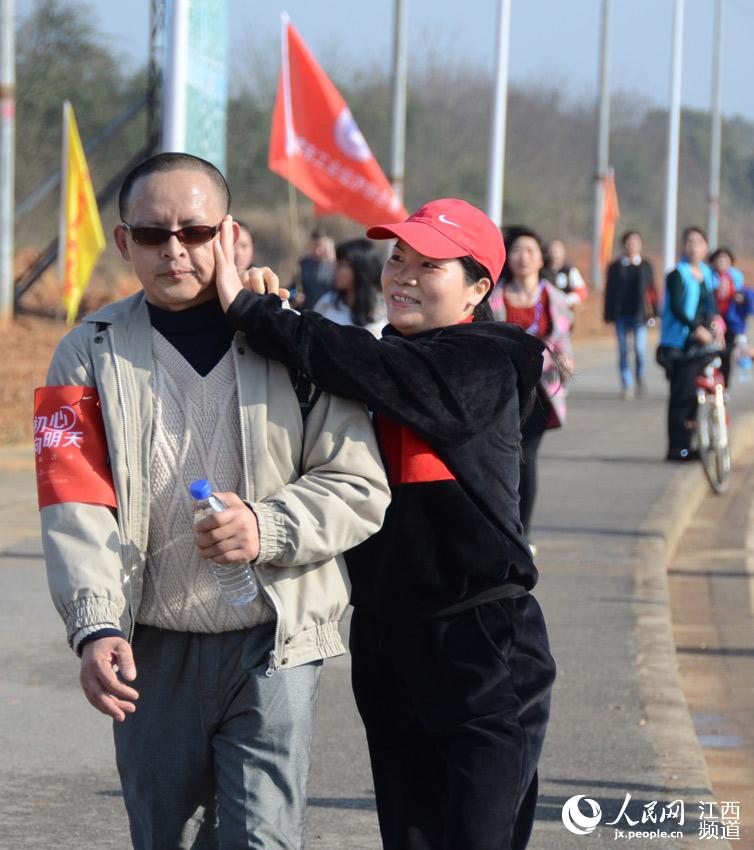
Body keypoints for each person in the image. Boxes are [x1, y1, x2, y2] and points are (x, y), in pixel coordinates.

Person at [37, 152, 390, 849]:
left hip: (273, 644)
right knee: (162, 836)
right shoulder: (85, 354)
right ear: (123, 242)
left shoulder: (296, 343)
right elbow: (72, 500)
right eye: (152, 234)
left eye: (195, 232)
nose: (174, 250)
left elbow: (358, 485)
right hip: (150, 651)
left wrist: (267, 525)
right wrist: (95, 625)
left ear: (228, 236)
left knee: (264, 838)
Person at [213, 198, 557, 850]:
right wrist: (260, 312)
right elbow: (326, 383)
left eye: (430, 264)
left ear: (478, 287)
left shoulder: (488, 360)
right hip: (385, 638)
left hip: (479, 637)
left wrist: (266, 316)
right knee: (410, 834)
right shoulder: (374, 361)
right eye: (398, 256)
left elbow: (386, 371)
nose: (402, 273)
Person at [489, 227, 573, 555]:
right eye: (517, 250)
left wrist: (565, 359)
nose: (523, 257)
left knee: (527, 458)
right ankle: (503, 525)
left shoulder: (555, 298)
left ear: (541, 257)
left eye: (530, 250)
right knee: (502, 457)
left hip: (541, 388)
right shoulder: (494, 297)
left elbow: (564, 340)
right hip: (503, 388)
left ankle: (522, 532)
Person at [658, 226, 723, 461]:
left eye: (699, 242)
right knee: (680, 396)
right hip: (678, 344)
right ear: (683, 246)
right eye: (690, 241)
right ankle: (676, 448)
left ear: (706, 247)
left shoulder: (706, 273)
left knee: (695, 396)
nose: (694, 246)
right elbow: (676, 307)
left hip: (700, 344)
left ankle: (689, 444)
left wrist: (715, 324)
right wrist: (697, 328)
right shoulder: (677, 273)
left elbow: (711, 306)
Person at [604, 230, 658, 399]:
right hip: (621, 314)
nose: (632, 245)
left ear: (640, 245)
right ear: (623, 245)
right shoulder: (615, 266)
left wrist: (655, 312)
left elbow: (652, 290)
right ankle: (627, 383)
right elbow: (609, 291)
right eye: (629, 242)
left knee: (639, 349)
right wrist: (607, 313)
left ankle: (639, 375)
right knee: (623, 350)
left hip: (640, 314)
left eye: (635, 242)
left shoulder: (646, 265)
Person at [312, 237, 387, 337]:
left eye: (342, 264)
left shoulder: (384, 312)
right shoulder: (327, 304)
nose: (335, 269)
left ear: (361, 269)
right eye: (336, 263)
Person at [709, 246, 753, 386]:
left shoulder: (736, 276)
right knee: (712, 353)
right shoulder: (709, 276)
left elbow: (743, 296)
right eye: (719, 259)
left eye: (725, 259)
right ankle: (711, 382)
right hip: (712, 319)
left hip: (731, 321)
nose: (722, 262)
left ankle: (723, 387)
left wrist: (740, 297)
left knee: (726, 354)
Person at [290, 228, 335, 308]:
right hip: (307, 311)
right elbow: (294, 287)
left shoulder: (336, 267)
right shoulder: (304, 264)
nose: (317, 250)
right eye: (314, 246)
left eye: (321, 246)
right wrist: (294, 296)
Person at [544, 238, 588, 308]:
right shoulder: (542, 272)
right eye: (552, 250)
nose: (554, 253)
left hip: (563, 314)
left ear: (563, 252)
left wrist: (566, 301)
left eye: (557, 250)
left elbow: (582, 292)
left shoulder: (570, 271)